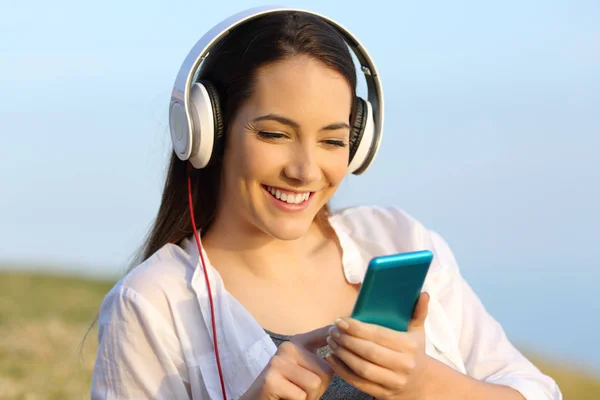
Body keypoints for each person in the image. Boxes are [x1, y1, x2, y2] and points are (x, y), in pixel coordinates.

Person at [90, 6, 562, 400]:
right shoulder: (152, 303)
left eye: (332, 141)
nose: (305, 170)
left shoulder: (398, 239)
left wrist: (422, 382)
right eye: (274, 134)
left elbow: (535, 391)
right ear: (206, 131)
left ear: (358, 144)